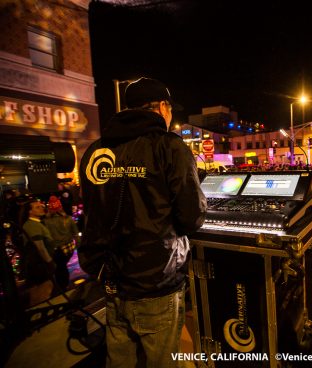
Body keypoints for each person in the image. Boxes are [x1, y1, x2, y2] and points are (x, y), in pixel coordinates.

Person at [79, 77, 207, 367]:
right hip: (155, 280)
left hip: (112, 281)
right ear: (162, 107)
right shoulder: (169, 147)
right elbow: (192, 217)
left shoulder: (95, 150)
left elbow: (92, 213)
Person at [21, 199, 56, 306]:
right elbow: (40, 247)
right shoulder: (32, 225)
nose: (42, 208)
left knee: (42, 293)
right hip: (40, 266)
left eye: (41, 206)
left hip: (39, 265)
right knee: (42, 294)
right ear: (29, 212)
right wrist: (50, 263)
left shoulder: (37, 223)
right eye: (37, 207)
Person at [43, 195, 79, 292]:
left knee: (60, 268)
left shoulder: (45, 222)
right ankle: (64, 286)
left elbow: (46, 238)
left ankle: (62, 287)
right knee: (62, 266)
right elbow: (76, 234)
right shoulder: (69, 218)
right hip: (69, 248)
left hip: (56, 249)